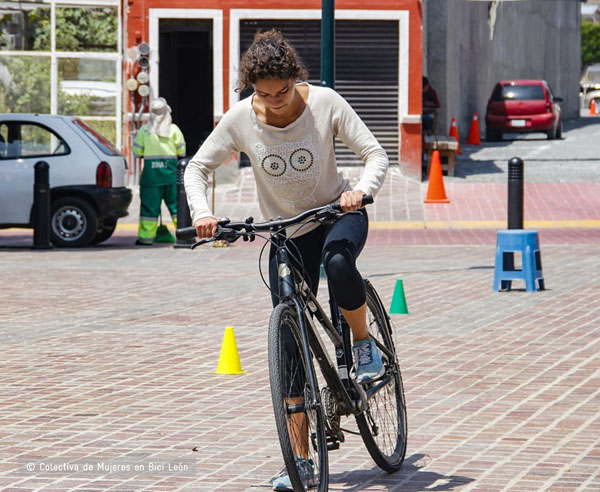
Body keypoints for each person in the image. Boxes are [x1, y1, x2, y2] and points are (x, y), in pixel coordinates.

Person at [184, 30, 388, 491]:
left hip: (337, 215)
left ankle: (362, 344)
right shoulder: (240, 119)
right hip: (286, 232)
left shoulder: (326, 103)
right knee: (290, 345)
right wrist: (204, 214)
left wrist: (361, 191)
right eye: (263, 94)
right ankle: (300, 460)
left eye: (283, 91)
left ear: (297, 79)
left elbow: (375, 153)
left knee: (338, 264)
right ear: (250, 88)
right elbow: (198, 167)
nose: (275, 102)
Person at [133, 97, 186, 245]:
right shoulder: (174, 130)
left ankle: (146, 239)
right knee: (176, 207)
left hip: (151, 179)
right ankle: (185, 236)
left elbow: (137, 152)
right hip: (170, 177)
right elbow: (182, 151)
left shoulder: (144, 131)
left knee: (149, 211)